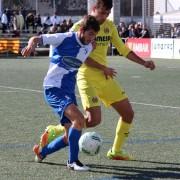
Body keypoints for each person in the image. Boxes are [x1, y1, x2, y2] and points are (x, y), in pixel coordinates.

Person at [36, 0, 155, 161]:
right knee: (93, 120)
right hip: (86, 77)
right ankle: (57, 130)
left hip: (104, 76)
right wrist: (102, 68)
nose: (105, 16)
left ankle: (116, 151)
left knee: (128, 113)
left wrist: (144, 62)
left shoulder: (109, 26)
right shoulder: (79, 26)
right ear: (94, 9)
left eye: (107, 13)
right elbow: (78, 58)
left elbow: (122, 49)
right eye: (102, 12)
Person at [21, 15, 100, 171]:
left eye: (94, 35)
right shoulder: (64, 38)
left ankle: (42, 152)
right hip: (54, 88)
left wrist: (98, 60)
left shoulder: (90, 45)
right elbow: (36, 38)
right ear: (82, 30)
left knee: (68, 135)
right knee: (79, 120)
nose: (92, 38)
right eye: (90, 34)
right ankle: (73, 162)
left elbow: (86, 54)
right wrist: (31, 45)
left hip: (68, 91)